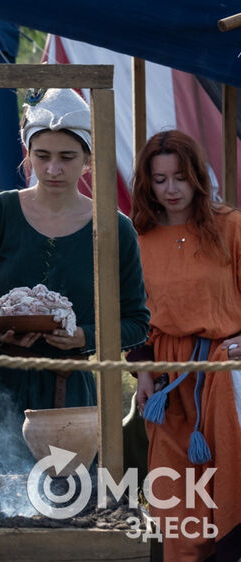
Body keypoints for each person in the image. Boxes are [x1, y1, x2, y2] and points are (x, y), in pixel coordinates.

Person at [0, 88, 149, 476]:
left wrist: (84, 337)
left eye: (67, 157)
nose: (53, 169)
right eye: (42, 156)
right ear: (28, 154)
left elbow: (137, 322)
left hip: (66, 393)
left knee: (62, 505)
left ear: (88, 160)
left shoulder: (114, 228)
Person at [129, 130, 241, 561]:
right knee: (177, 493)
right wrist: (142, 370)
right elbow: (130, 312)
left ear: (197, 177)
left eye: (180, 177)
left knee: (229, 480)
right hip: (166, 381)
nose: (171, 189)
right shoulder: (137, 237)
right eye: (160, 180)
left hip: (223, 373)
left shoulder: (230, 226)